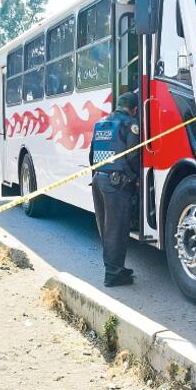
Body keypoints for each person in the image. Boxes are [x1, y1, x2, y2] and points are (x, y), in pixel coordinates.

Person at [89, 92, 141, 287]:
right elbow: (133, 154)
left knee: (106, 229)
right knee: (116, 231)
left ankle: (115, 268)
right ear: (134, 109)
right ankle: (113, 274)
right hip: (116, 184)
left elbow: (92, 153)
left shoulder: (101, 123)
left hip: (99, 179)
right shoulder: (130, 123)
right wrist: (136, 178)